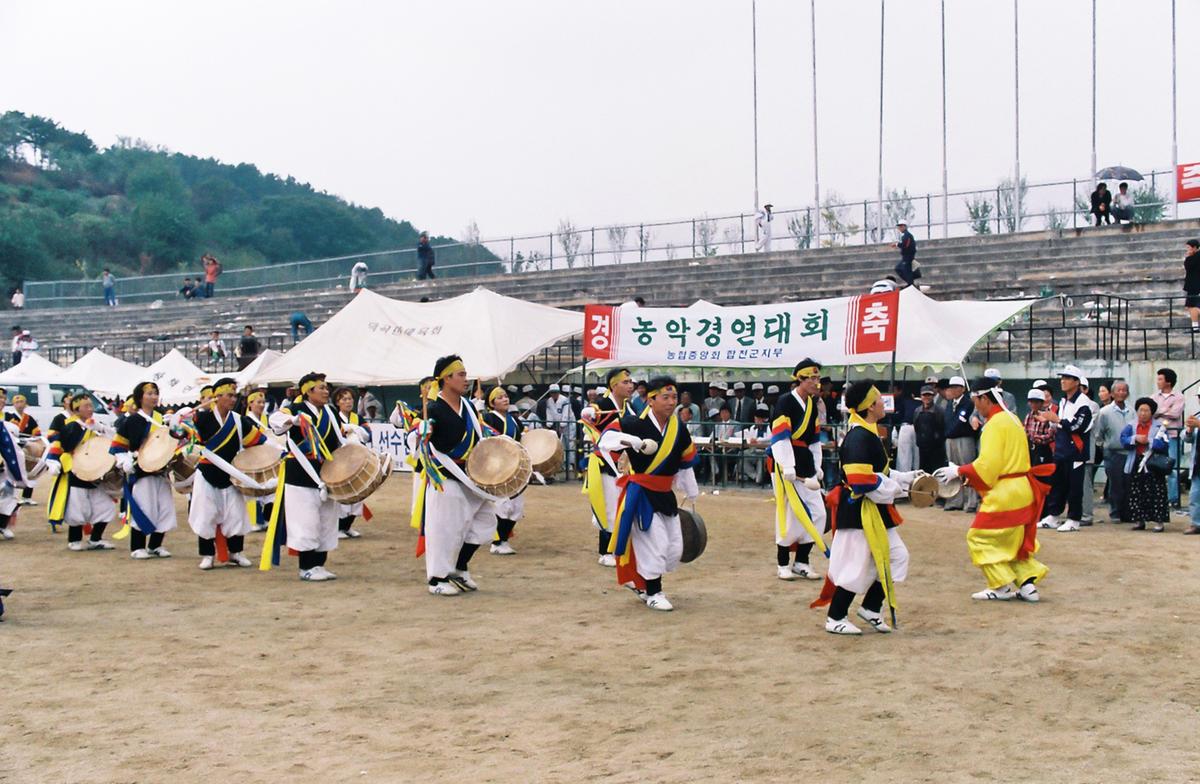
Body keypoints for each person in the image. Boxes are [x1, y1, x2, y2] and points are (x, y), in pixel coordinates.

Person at [815, 379, 919, 635]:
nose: (884, 403)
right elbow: (860, 481)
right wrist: (896, 488)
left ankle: (872, 607)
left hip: (873, 510)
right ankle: (835, 616)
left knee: (897, 557)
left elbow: (876, 473)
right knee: (855, 563)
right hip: (859, 511)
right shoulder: (859, 437)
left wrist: (906, 478)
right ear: (870, 407)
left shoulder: (867, 433)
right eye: (881, 400)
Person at [938, 378, 1052, 601]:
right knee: (1014, 541)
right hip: (1023, 488)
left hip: (1005, 492)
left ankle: (1000, 585)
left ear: (984, 398)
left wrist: (959, 471)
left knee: (979, 537)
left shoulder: (994, 424)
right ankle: (1028, 586)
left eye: (975, 401)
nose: (975, 406)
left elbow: (988, 466)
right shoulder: (1013, 419)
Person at [597, 375, 699, 612]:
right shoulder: (633, 423)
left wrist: (691, 492)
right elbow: (605, 441)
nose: (672, 402)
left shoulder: (679, 429)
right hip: (642, 493)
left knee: (674, 548)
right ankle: (654, 592)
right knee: (656, 544)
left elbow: (685, 463)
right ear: (651, 400)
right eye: (666, 397)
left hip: (665, 493)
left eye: (674, 397)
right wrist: (634, 442)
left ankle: (641, 583)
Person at [412, 355, 497, 595]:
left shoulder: (468, 407)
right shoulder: (434, 408)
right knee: (445, 529)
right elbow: (416, 437)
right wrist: (421, 431)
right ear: (446, 378)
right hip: (446, 477)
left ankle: (459, 567)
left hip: (470, 476)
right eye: (461, 374)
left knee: (485, 522)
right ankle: (437, 579)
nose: (465, 379)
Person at [268, 372, 345, 581]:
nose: (326, 391)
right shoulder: (295, 409)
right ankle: (306, 567)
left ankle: (320, 564)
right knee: (306, 520)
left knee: (327, 520)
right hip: (301, 472)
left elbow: (340, 435)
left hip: (327, 471)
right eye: (321, 387)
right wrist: (293, 420)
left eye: (326, 387)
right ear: (308, 391)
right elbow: (274, 420)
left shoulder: (330, 412)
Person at [185, 377, 269, 570]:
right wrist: (177, 423)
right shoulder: (202, 418)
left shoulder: (240, 421)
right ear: (217, 397)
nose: (233, 399)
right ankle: (207, 554)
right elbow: (183, 435)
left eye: (234, 395)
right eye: (229, 395)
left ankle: (236, 553)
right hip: (207, 472)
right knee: (206, 514)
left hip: (231, 474)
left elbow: (258, 441)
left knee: (236, 514)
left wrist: (277, 450)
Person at [769, 359, 829, 582]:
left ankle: (802, 561)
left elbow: (814, 439)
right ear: (800, 380)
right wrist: (787, 466)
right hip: (785, 462)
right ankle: (783, 563)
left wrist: (818, 466)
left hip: (805, 462)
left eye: (818, 378)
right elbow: (780, 437)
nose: (816, 382)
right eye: (812, 378)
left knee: (819, 512)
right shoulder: (785, 402)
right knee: (789, 512)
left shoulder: (812, 404)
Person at [111, 381, 178, 559]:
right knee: (144, 508)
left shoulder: (162, 418)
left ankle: (156, 545)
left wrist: (176, 425)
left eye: (155, 393)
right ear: (140, 397)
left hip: (161, 471)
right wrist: (124, 460)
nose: (154, 397)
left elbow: (176, 440)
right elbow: (118, 445)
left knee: (164, 508)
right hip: (142, 472)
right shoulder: (132, 420)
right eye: (149, 393)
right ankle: (137, 547)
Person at [43, 395, 115, 551]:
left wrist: (101, 429)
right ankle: (74, 539)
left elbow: (112, 439)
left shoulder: (95, 425)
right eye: (86, 406)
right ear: (77, 409)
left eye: (91, 405)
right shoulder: (71, 427)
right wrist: (53, 461)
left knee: (106, 506)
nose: (90, 409)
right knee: (78, 508)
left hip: (96, 472)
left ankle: (96, 538)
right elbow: (58, 445)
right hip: (77, 472)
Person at [581, 368, 635, 566]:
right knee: (610, 508)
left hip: (623, 464)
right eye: (625, 382)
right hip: (605, 463)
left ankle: (617, 547)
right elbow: (590, 415)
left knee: (621, 506)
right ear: (614, 385)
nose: (630, 386)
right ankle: (606, 552)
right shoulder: (602, 405)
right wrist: (589, 413)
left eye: (631, 382)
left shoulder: (629, 408)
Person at [1037, 365, 1094, 532]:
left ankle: (1074, 519)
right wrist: (1050, 421)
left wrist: (1057, 420)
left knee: (1074, 487)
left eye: (1067, 378)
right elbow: (1060, 424)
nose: (1063, 381)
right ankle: (1054, 515)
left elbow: (1079, 426)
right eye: (1062, 378)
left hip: (1076, 451)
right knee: (1058, 485)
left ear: (1076, 382)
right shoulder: (1063, 401)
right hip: (1061, 450)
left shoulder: (1084, 402)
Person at [483, 386, 524, 555]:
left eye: (506, 396)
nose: (505, 399)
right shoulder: (488, 419)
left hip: (515, 466)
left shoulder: (514, 420)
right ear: (491, 403)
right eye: (499, 398)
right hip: (498, 466)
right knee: (502, 504)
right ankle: (497, 542)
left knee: (517, 507)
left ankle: (503, 540)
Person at [1120, 398, 1170, 532]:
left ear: (1152, 412)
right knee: (1136, 492)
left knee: (1156, 492)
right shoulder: (1131, 425)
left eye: (1146, 410)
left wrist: (1149, 441)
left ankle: (1159, 522)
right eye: (1141, 410)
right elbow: (1123, 440)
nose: (1143, 413)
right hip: (1136, 462)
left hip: (1152, 463)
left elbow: (1165, 444)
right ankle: (1139, 520)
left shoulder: (1159, 427)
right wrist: (1134, 438)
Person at [332, 387, 370, 540]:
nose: (348, 402)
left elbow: (368, 435)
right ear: (337, 402)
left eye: (350, 399)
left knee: (357, 495)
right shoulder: (334, 418)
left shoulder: (358, 418)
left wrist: (354, 428)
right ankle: (339, 526)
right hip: (340, 461)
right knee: (342, 495)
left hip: (357, 461)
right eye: (344, 399)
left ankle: (348, 526)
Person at [1094, 380, 1134, 523]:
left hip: (1129, 452)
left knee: (1129, 484)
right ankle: (1115, 512)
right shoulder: (1105, 412)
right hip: (1112, 452)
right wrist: (1104, 446)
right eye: (1118, 390)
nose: (1121, 393)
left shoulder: (1132, 410)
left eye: (1124, 390)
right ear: (1112, 393)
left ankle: (1127, 513)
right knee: (1115, 484)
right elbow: (1098, 433)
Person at [942, 377, 980, 513]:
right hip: (950, 439)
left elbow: (961, 421)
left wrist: (949, 431)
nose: (953, 389)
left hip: (964, 438)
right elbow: (947, 420)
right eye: (951, 387)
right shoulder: (949, 403)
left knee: (967, 469)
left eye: (956, 387)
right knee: (953, 471)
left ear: (963, 388)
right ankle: (955, 500)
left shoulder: (968, 403)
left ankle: (971, 501)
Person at [1150, 367, 1183, 507]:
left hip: (1172, 435)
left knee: (1172, 467)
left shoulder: (1179, 396)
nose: (1158, 382)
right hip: (1157, 435)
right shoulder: (1153, 397)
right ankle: (1157, 496)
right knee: (1153, 465)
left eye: (1160, 379)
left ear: (1168, 382)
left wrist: (1159, 412)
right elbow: (1151, 412)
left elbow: (1176, 413)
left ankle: (1173, 499)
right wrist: (1165, 410)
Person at [0, 401, 31, 541]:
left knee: (9, 497)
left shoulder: (4, 423)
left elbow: (10, 445)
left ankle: (2, 525)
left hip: (2, 466)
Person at [244, 389, 273, 533]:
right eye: (258, 402)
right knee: (253, 490)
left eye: (263, 402)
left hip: (264, 459)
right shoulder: (247, 421)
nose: (261, 405)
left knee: (268, 489)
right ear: (250, 404)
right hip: (251, 459)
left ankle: (267, 519)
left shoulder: (264, 420)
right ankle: (255, 521)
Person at [8, 393, 40, 505]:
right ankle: (15, 497)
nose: (19, 405)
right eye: (17, 402)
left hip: (27, 448)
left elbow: (37, 433)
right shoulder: (9, 416)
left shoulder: (29, 419)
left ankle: (27, 497)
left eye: (21, 402)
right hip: (14, 448)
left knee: (30, 472)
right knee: (14, 472)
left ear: (25, 404)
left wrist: (33, 440)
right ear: (13, 404)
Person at [913, 384, 945, 474]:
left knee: (937, 472)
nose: (927, 397)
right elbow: (916, 427)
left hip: (937, 449)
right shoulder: (917, 411)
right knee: (924, 472)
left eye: (929, 395)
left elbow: (942, 427)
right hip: (922, 448)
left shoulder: (940, 411)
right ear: (921, 396)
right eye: (924, 395)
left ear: (933, 396)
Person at [1023, 388, 1055, 467]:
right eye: (1031, 402)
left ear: (1042, 403)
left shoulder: (1048, 415)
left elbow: (1052, 435)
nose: (1033, 404)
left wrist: (1040, 438)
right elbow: (1025, 429)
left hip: (1043, 449)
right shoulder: (1029, 415)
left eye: (1036, 402)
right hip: (1030, 448)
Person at [1184, 395, 1200, 536]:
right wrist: (1189, 430)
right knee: (1194, 496)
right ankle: (1196, 523)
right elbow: (1186, 439)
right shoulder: (1197, 416)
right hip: (1197, 463)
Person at [893, 220, 920, 287]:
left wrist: (897, 244)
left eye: (901, 226)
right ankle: (910, 283)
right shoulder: (905, 235)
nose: (899, 228)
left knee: (906, 270)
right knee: (900, 269)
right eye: (899, 227)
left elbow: (905, 245)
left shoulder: (907, 235)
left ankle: (911, 284)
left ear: (905, 226)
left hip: (908, 257)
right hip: (906, 256)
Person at [1184, 240, 1200, 334]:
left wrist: (1188, 257)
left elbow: (1188, 267)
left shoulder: (1194, 257)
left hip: (1195, 285)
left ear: (1194, 248)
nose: (1188, 250)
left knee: (1193, 306)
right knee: (1191, 306)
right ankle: (1195, 327)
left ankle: (1195, 327)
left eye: (1189, 248)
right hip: (1194, 285)